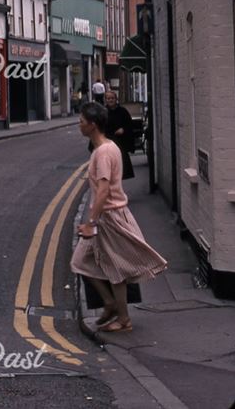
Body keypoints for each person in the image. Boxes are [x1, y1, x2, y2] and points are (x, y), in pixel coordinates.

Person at [71, 102, 166, 333]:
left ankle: (123, 318)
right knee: (83, 262)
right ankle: (111, 304)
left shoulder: (103, 153)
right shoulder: (110, 146)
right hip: (111, 214)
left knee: (114, 270)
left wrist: (91, 223)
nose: (79, 125)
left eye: (82, 121)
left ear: (92, 125)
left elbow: (103, 191)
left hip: (109, 217)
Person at [104, 91, 135, 180]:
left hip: (121, 144)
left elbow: (129, 124)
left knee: (120, 172)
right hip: (107, 145)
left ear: (116, 99)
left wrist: (123, 129)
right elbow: (100, 128)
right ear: (105, 100)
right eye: (108, 98)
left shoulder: (123, 111)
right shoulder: (103, 112)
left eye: (112, 98)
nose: (110, 100)